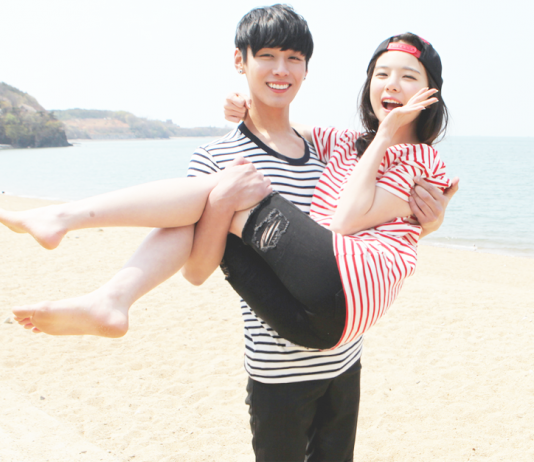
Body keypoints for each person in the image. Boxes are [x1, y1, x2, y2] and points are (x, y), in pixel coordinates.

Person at [2, 5, 458, 461]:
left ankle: (87, 257)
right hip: (277, 369)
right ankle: (95, 270)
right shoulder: (217, 156)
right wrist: (221, 201)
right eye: (267, 56)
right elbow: (197, 271)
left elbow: (367, 224)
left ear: (307, 69)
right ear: (240, 60)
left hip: (343, 357)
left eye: (293, 59)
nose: (281, 70)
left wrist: (429, 221)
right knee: (224, 187)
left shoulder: (325, 150)